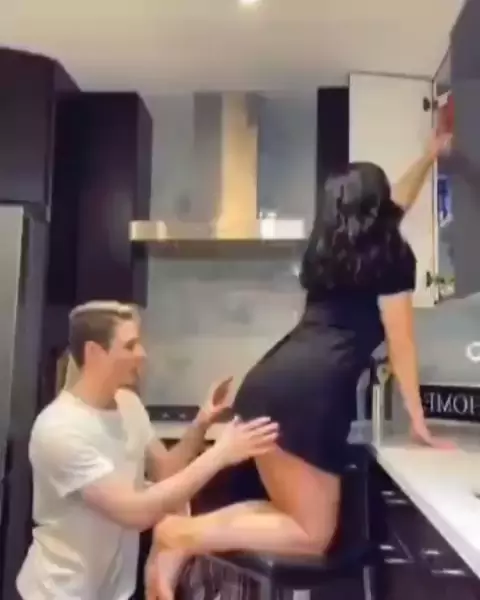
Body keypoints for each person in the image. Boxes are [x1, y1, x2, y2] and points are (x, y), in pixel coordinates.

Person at [148, 132, 454, 598]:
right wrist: (419, 421)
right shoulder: (390, 255)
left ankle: (180, 536)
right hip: (310, 395)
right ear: (376, 208)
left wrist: (429, 157)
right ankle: (179, 533)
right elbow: (402, 342)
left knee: (291, 518)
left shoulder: (327, 249)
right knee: (311, 535)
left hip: (271, 381)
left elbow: (398, 201)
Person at [16, 301, 279, 600]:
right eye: (130, 345)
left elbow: (166, 470)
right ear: (94, 352)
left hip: (114, 592)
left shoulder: (128, 404)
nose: (142, 354)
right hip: (58, 592)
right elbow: (135, 512)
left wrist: (201, 422)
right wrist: (219, 454)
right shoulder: (60, 429)